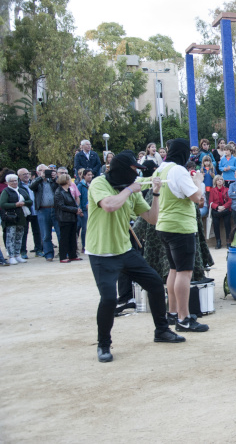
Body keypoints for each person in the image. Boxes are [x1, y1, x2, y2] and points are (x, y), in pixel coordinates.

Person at [88, 150, 186, 362]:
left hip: (125, 249)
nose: (135, 176)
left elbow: (152, 218)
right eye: (133, 171)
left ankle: (161, 330)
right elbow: (109, 206)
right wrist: (130, 189)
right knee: (108, 299)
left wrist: (157, 193)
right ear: (122, 170)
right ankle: (103, 344)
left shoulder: (134, 189)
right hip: (101, 252)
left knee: (154, 283)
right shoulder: (99, 183)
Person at [155, 138, 209, 333]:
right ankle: (184, 318)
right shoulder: (178, 170)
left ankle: (172, 312)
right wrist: (199, 182)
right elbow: (198, 198)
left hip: (164, 225)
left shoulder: (161, 168)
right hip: (180, 227)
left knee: (174, 270)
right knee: (184, 272)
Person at [29, 165, 60, 261]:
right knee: (46, 234)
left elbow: (61, 186)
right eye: (42, 171)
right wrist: (41, 178)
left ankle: (63, 252)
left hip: (55, 209)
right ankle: (49, 254)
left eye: (46, 171)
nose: (45, 172)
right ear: (38, 172)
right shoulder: (37, 182)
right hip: (43, 210)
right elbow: (31, 186)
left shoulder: (53, 181)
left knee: (60, 232)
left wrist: (55, 178)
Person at [0, 174, 33, 264]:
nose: (14, 182)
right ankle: (11, 256)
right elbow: (2, 204)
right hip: (11, 217)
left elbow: (30, 201)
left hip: (21, 217)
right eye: (12, 181)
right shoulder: (6, 191)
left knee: (19, 237)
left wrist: (24, 203)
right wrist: (15, 204)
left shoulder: (21, 190)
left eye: (15, 180)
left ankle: (17, 255)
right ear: (7, 182)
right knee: (10, 237)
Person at [54, 174, 81, 263]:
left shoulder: (68, 190)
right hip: (64, 218)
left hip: (72, 217)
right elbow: (61, 206)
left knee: (72, 237)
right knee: (64, 237)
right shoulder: (58, 192)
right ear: (66, 181)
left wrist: (76, 209)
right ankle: (63, 256)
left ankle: (72, 255)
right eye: (69, 179)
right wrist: (75, 210)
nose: (71, 181)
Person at [17, 168, 42, 258]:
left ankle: (38, 249)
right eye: (24, 174)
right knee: (24, 232)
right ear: (19, 176)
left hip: (36, 211)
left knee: (37, 231)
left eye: (27, 173)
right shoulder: (18, 186)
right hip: (25, 212)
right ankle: (23, 251)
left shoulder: (34, 183)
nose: (27, 175)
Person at [209, 175, 232, 249]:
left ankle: (228, 242)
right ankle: (218, 241)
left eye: (221, 179)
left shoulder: (227, 189)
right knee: (215, 224)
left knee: (227, 224)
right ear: (215, 181)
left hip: (225, 209)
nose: (220, 181)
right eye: (218, 180)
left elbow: (230, 201)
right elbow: (210, 202)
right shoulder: (212, 190)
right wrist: (217, 207)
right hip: (216, 210)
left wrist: (224, 207)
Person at [76, 170, 92, 252]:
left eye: (91, 175)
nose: (90, 176)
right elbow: (78, 198)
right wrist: (80, 209)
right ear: (84, 176)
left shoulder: (92, 184)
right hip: (83, 210)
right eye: (88, 175)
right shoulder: (80, 185)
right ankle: (84, 246)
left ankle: (89, 244)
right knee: (84, 228)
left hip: (91, 209)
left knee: (90, 228)